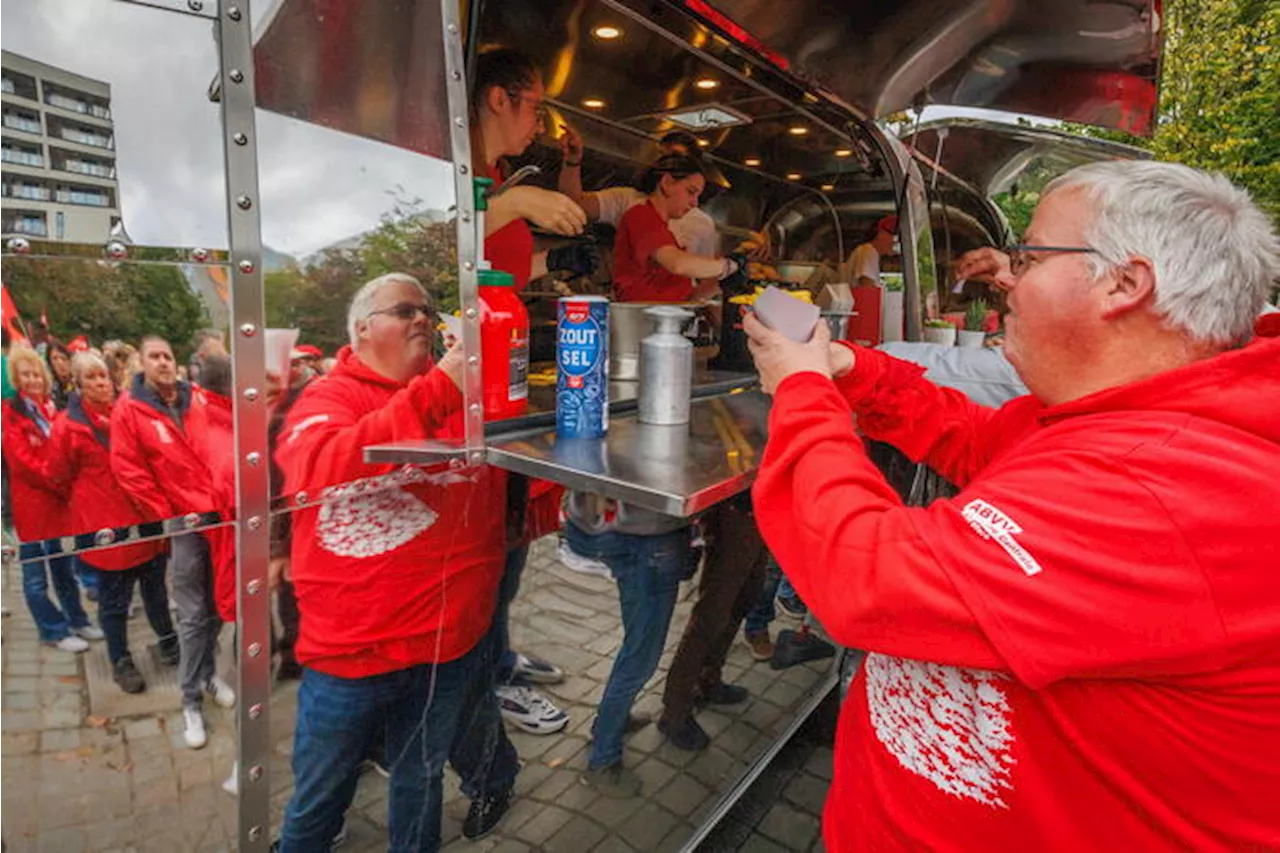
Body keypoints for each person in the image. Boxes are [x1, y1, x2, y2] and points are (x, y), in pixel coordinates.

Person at [743, 161, 1280, 850]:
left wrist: (802, 390)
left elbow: (866, 578)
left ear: (1125, 282)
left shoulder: (1174, 489)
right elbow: (980, 438)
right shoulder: (1126, 415)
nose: (1007, 278)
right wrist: (852, 371)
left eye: (1027, 257)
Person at [274, 273, 519, 851]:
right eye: (404, 309)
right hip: (352, 653)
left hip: (446, 642)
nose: (422, 320)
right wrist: (440, 387)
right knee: (319, 791)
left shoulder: (467, 397)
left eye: (427, 311)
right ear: (362, 328)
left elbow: (508, 477)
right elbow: (322, 466)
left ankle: (489, 786)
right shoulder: (330, 397)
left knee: (420, 778)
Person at [469, 47, 597, 737]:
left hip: (506, 377)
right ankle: (483, 682)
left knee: (510, 543)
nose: (539, 122)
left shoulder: (494, 177)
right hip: (470, 384)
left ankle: (498, 655)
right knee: (486, 551)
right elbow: (439, 238)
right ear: (498, 98)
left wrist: (555, 260)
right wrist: (517, 200)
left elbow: (503, 260)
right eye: (534, 106)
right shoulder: (461, 174)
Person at [110, 335, 234, 749]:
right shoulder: (130, 410)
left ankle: (209, 673)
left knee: (218, 605)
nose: (163, 362)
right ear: (142, 364)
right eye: (154, 356)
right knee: (194, 614)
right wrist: (169, 516)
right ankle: (190, 700)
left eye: (168, 354)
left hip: (218, 518)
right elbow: (130, 470)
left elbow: (228, 438)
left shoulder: (197, 398)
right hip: (185, 523)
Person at [46, 352, 179, 692]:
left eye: (103, 376)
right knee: (114, 602)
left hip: (144, 520)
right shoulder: (68, 426)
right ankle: (120, 659)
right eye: (91, 378)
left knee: (156, 592)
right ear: (78, 383)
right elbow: (57, 475)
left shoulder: (129, 413)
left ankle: (168, 641)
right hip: (107, 528)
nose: (100, 383)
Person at [563, 489, 697, 796]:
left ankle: (612, 721)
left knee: (636, 642)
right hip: (647, 535)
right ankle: (603, 758)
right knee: (640, 658)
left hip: (616, 529)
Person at [2, 345, 101, 652]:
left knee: (64, 568)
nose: (32, 380)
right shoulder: (10, 414)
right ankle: (53, 629)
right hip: (31, 505)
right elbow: (23, 462)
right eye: (25, 375)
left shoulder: (50, 408)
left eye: (36, 374)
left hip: (57, 502)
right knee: (34, 575)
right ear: (16, 379)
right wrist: (56, 477)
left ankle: (77, 619)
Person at [657, 494, 766, 750]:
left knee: (743, 598)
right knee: (712, 614)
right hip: (735, 511)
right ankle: (675, 711)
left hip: (760, 506)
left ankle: (708, 680)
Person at [559, 127, 720, 258]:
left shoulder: (702, 223)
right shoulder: (628, 200)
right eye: (661, 155)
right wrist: (572, 161)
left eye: (675, 158)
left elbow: (703, 276)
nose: (665, 162)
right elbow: (574, 204)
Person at [611, 154, 744, 303]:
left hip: (665, 321)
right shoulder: (640, 216)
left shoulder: (667, 234)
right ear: (667, 183)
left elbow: (689, 298)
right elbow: (678, 264)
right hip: (642, 322)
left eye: (698, 196)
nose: (694, 203)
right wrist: (729, 266)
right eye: (691, 192)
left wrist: (720, 282)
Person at [841, 215, 898, 288]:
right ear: (880, 233)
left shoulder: (868, 251)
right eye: (894, 234)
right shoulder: (868, 251)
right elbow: (867, 285)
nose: (895, 242)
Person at [45, 341, 75, 410]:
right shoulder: (50, 388)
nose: (60, 363)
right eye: (55, 359)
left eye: (63, 358)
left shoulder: (79, 384)